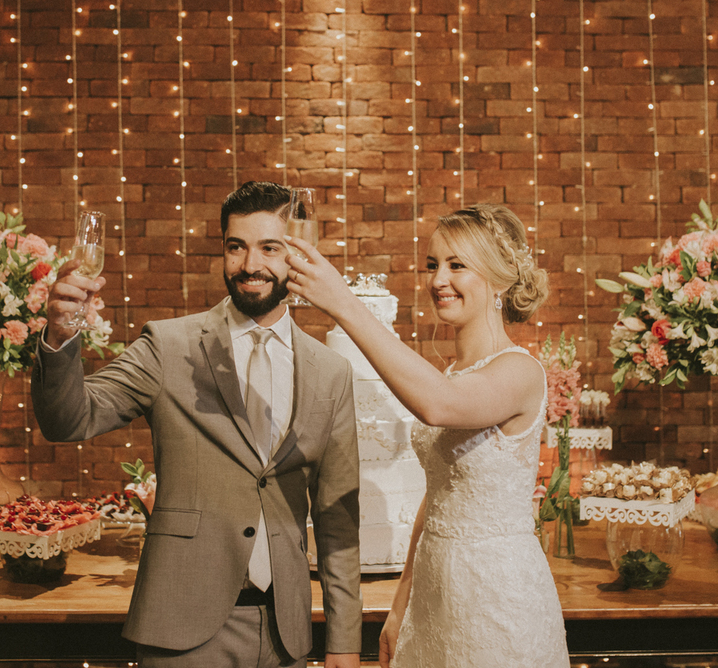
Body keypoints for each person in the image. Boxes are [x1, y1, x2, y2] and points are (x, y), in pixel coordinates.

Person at [32, 181, 362, 668]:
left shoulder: (331, 371)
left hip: (286, 634)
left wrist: (344, 641)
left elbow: (338, 521)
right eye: (236, 247)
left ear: (297, 252)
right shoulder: (168, 345)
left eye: (270, 247)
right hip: (181, 629)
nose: (250, 265)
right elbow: (69, 419)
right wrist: (60, 337)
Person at [283, 203, 570, 668]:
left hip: (497, 596)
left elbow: (438, 406)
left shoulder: (520, 371)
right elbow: (437, 500)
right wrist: (400, 608)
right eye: (433, 265)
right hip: (436, 597)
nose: (438, 280)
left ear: (499, 281)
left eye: (457, 266)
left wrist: (343, 302)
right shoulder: (454, 371)